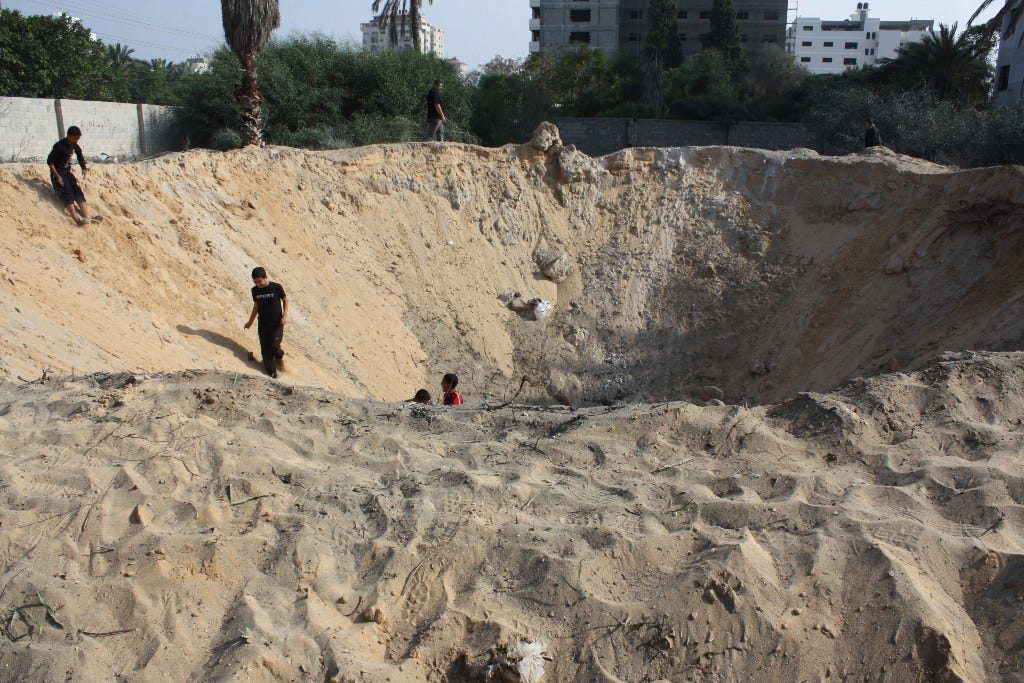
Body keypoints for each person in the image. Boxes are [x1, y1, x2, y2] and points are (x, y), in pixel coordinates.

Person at [47, 126, 101, 226]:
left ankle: (87, 217)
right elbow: (50, 162)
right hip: (58, 174)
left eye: (78, 138)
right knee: (68, 194)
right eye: (75, 138)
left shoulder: (74, 144)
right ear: (69, 136)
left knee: (78, 192)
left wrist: (83, 168)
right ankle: (77, 219)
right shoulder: (59, 146)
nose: (76, 140)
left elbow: (79, 155)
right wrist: (57, 176)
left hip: (67, 173)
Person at [244, 267, 288, 378]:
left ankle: (279, 356)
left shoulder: (276, 287)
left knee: (274, 347)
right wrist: (250, 322)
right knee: (265, 351)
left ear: (265, 277)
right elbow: (256, 307)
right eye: (255, 282)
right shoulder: (255, 291)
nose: (258, 284)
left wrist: (285, 315)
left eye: (259, 281)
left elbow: (285, 300)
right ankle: (273, 376)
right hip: (263, 324)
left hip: (276, 324)